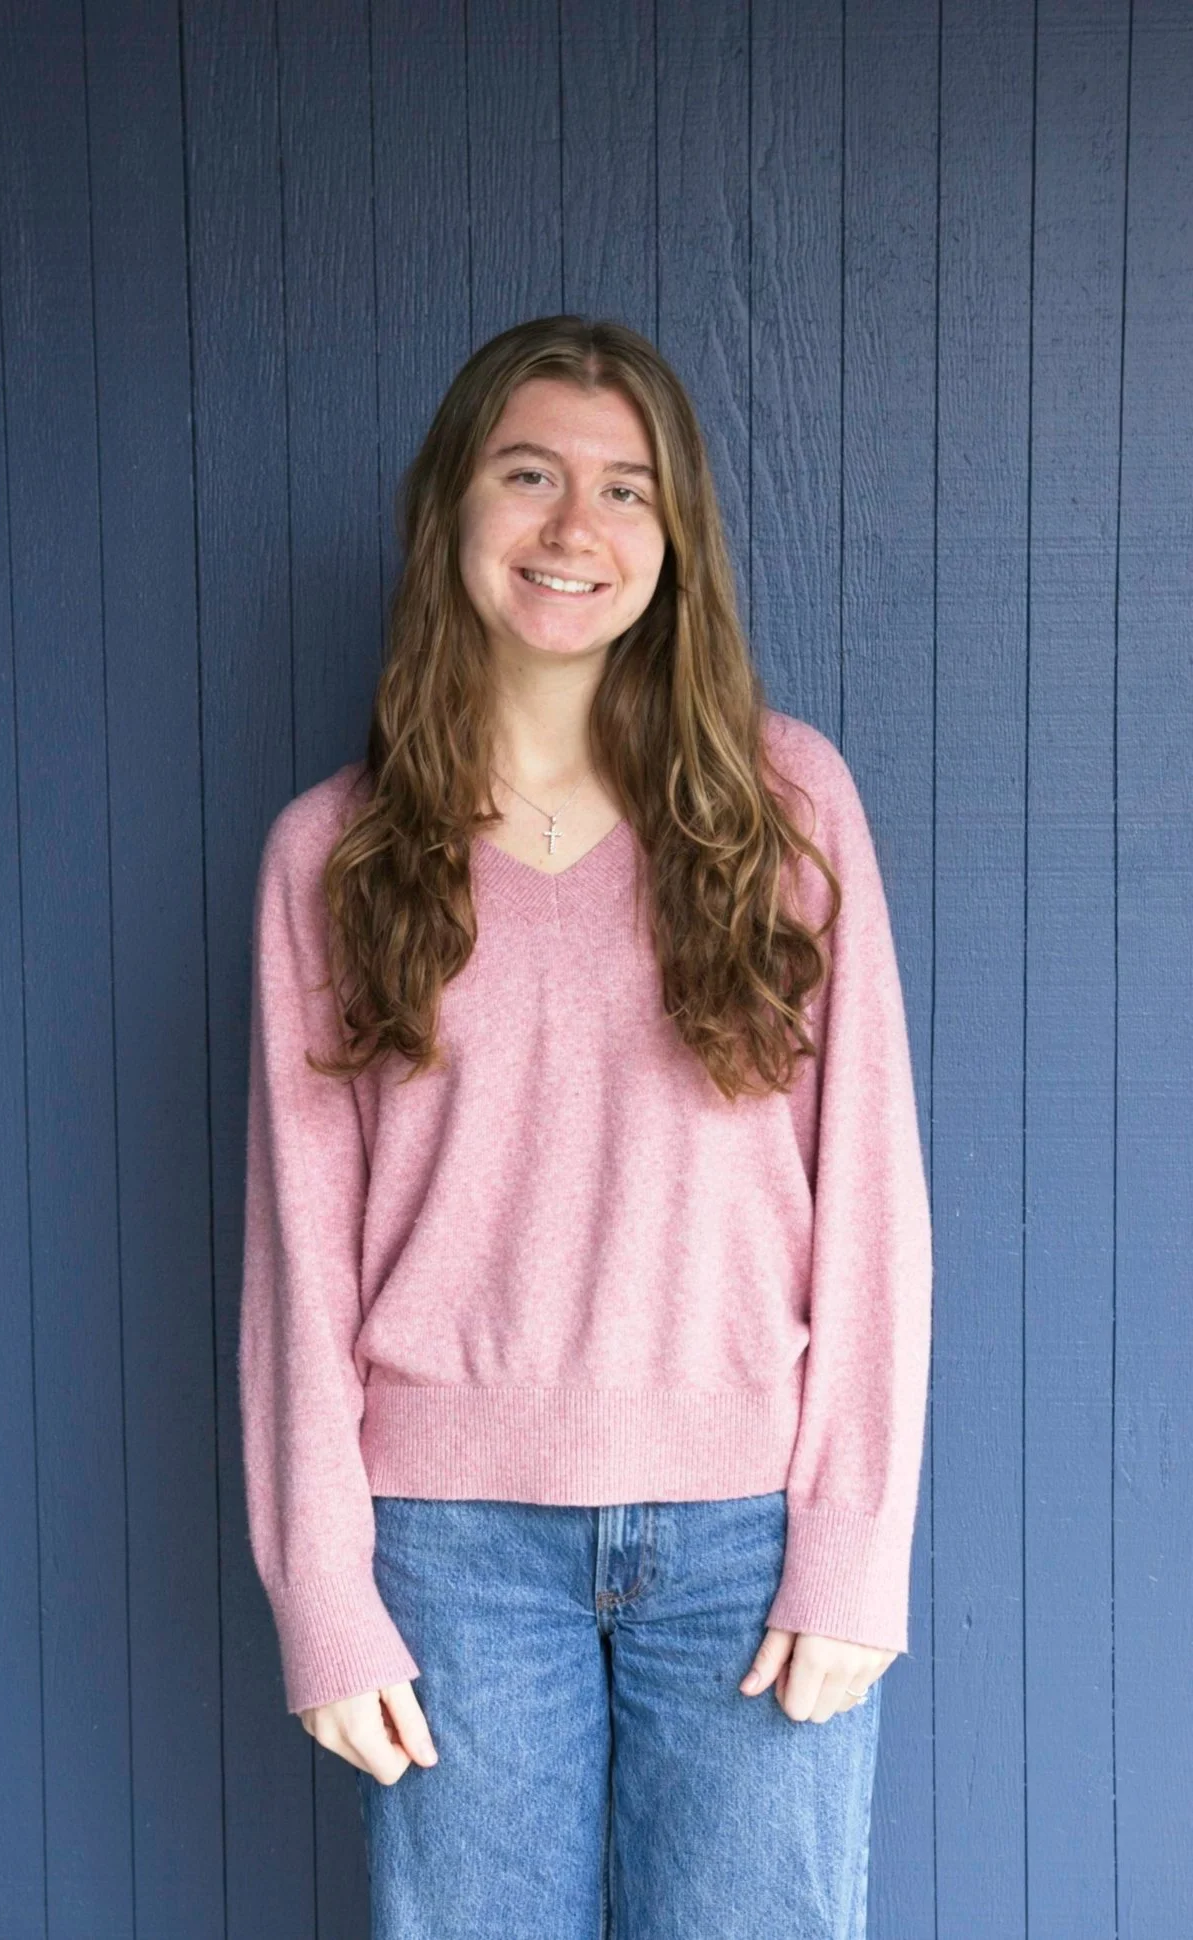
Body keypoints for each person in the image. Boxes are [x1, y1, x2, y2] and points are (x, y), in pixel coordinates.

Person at [238, 314, 932, 1938]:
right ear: (453, 512)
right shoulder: (330, 860)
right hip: (450, 1558)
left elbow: (874, 1202)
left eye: (628, 490)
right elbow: (297, 1264)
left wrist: (853, 1551)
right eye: (530, 473)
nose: (576, 528)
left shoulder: (788, 811)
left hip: (747, 1547)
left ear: (675, 542)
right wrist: (323, 1594)